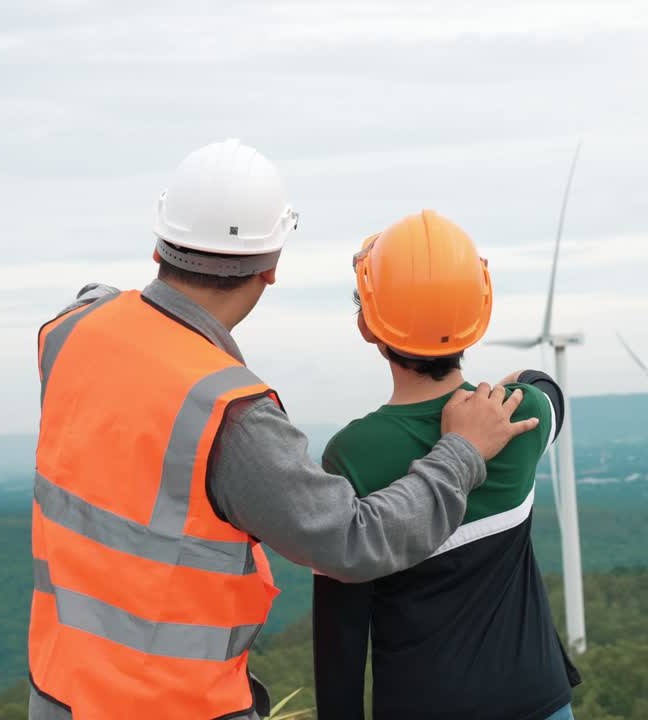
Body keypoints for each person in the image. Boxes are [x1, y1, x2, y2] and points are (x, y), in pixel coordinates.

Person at [28, 141, 537, 720]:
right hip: (172, 704)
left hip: (59, 690)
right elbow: (352, 541)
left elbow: (102, 306)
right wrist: (461, 452)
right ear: (271, 268)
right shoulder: (232, 415)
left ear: (158, 245)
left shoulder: (69, 330)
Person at [312, 211, 580, 720]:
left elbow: (341, 634)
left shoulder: (353, 455)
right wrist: (498, 393)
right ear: (477, 317)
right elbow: (546, 386)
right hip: (539, 703)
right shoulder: (519, 414)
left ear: (370, 326)